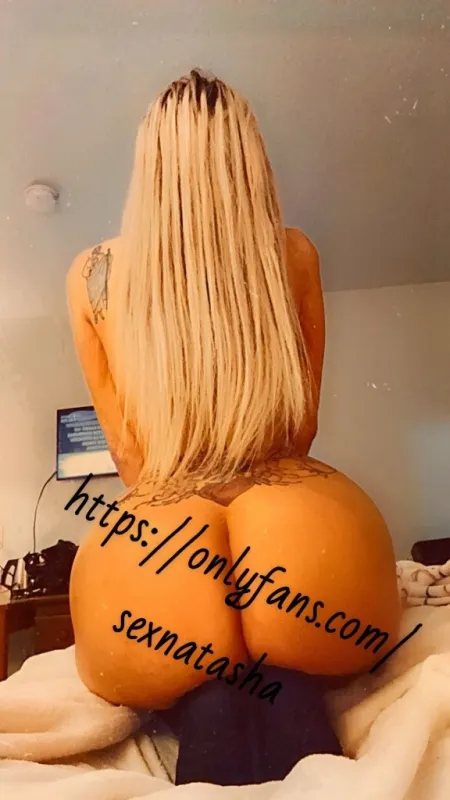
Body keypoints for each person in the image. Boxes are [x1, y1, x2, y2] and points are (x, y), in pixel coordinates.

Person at [67, 69, 400, 785]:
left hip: (161, 564)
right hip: (304, 552)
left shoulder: (91, 273)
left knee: (209, 699)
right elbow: (301, 429)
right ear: (249, 157)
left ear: (150, 164)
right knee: (291, 689)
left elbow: (129, 460)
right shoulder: (295, 253)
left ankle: (207, 706)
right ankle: (289, 690)